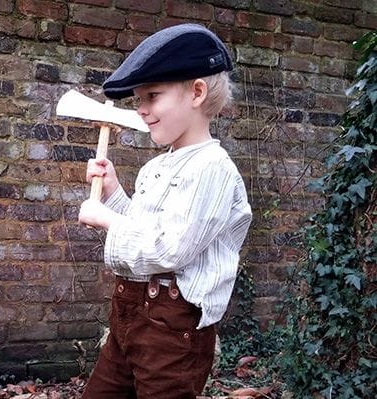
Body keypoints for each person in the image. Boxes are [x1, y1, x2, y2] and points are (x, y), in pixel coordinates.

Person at [77, 23, 253, 399]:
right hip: (129, 313)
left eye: (152, 96)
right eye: (138, 99)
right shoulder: (157, 167)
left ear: (197, 92)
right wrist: (112, 193)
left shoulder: (213, 168)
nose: (141, 110)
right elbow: (144, 227)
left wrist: (107, 219)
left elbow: (171, 249)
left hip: (172, 329)